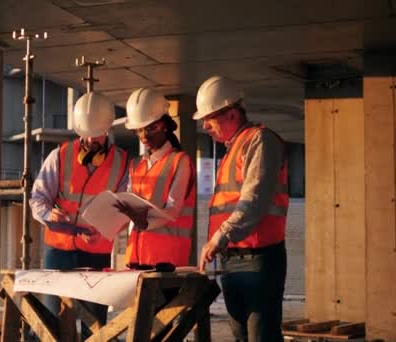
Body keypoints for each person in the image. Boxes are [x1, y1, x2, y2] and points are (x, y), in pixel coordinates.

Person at [194, 76, 289, 342]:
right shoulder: (233, 148)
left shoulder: (259, 140)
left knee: (261, 335)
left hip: (258, 260)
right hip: (234, 260)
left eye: (210, 118)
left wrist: (219, 237)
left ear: (231, 114)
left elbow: (253, 200)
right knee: (241, 336)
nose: (205, 126)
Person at [29, 91, 128, 330]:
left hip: (96, 255)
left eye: (95, 137)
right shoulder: (60, 157)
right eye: (85, 136)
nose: (89, 143)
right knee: (52, 323)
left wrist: (110, 224)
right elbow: (38, 199)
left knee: (94, 327)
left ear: (107, 131)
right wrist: (47, 213)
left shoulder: (122, 162)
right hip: (58, 252)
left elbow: (124, 210)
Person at [116, 88, 196, 269]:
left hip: (167, 262)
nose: (144, 135)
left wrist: (144, 222)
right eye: (139, 130)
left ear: (165, 125)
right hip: (136, 258)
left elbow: (173, 209)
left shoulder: (179, 161)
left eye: (151, 128)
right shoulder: (136, 165)